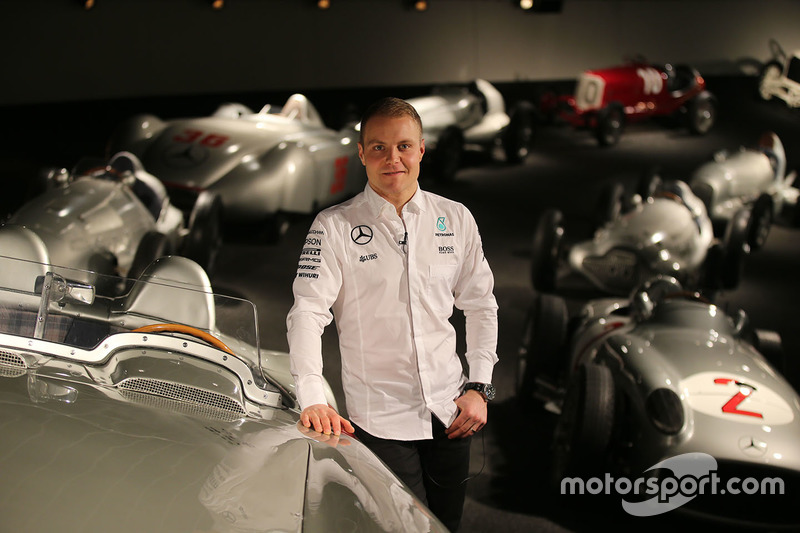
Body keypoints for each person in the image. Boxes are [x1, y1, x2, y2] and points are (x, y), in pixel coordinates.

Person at [286, 97, 498, 531]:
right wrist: (312, 395)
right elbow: (307, 312)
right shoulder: (332, 227)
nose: (393, 158)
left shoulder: (455, 218)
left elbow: (480, 305)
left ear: (422, 149)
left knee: (447, 525)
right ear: (362, 154)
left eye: (404, 146)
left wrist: (480, 386)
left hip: (451, 412)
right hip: (380, 420)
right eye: (379, 147)